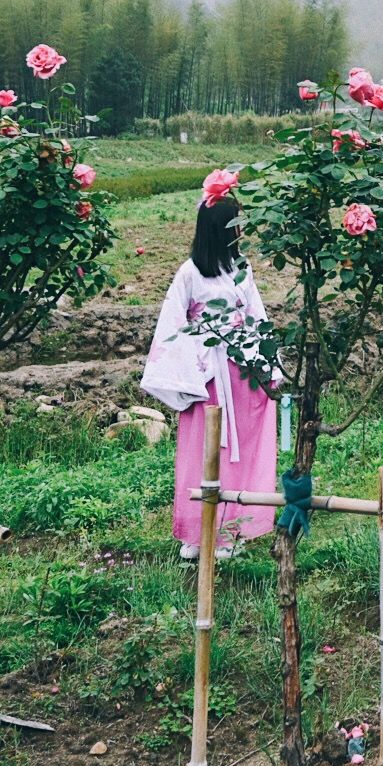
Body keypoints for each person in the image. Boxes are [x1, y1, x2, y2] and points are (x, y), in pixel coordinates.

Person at [141, 188, 278, 560]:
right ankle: (196, 532)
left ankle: (233, 529)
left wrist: (269, 365)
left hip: (240, 370)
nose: (239, 233)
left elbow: (255, 315)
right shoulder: (189, 273)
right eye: (233, 226)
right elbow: (171, 323)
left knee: (240, 453)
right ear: (218, 230)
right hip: (206, 377)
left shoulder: (241, 269)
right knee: (202, 450)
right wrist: (183, 372)